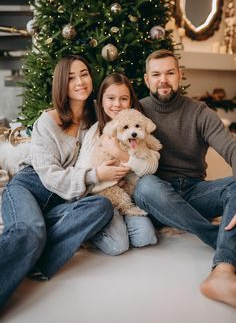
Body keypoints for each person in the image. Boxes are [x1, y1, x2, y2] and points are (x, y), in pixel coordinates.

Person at [0, 55, 129, 307]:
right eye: (71, 78)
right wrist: (95, 176)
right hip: (30, 187)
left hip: (65, 199)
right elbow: (49, 176)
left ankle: (37, 259)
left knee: (101, 208)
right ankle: (30, 247)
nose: (80, 81)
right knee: (30, 230)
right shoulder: (46, 123)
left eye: (84, 74)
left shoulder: (97, 115)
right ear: (61, 84)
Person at [133, 49, 236, 307]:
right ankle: (217, 238)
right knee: (144, 186)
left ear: (180, 75)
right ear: (147, 80)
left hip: (194, 192)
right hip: (157, 197)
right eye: (156, 74)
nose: (163, 80)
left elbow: (231, 149)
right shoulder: (137, 111)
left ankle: (223, 271)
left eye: (169, 73)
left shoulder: (199, 112)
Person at [76, 73, 159, 255]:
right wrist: (109, 178)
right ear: (101, 100)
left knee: (146, 238)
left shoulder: (137, 126)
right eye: (111, 98)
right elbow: (82, 172)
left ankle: (121, 222)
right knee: (118, 245)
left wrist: (119, 153)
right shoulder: (95, 131)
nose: (117, 104)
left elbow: (151, 166)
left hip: (128, 197)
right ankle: (93, 230)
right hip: (102, 196)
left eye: (123, 98)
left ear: (130, 101)